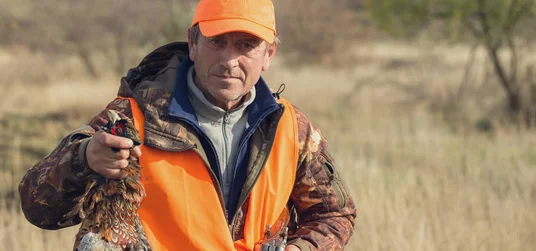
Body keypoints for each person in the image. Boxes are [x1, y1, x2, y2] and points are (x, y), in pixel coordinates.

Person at [18, 0, 356, 250]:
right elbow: (38, 208)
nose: (229, 60)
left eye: (246, 45)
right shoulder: (131, 119)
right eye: (217, 41)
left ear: (269, 54)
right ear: (192, 42)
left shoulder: (292, 129)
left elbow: (335, 214)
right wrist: (85, 159)